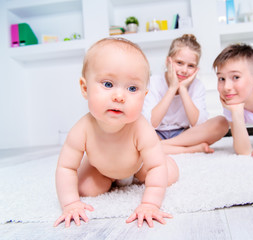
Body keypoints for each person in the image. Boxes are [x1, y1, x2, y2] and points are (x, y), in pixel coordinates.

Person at [54, 38, 179, 228]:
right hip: (100, 168)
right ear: (85, 88)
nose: (119, 97)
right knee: (84, 188)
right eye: (108, 84)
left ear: (144, 97)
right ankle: (103, 175)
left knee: (168, 173)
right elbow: (66, 167)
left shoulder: (141, 128)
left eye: (132, 88)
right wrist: (70, 203)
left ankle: (165, 158)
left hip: (138, 167)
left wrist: (150, 204)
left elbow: (156, 166)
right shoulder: (82, 129)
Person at [142, 34, 229, 154]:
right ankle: (190, 149)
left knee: (222, 123)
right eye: (179, 63)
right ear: (168, 61)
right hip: (156, 133)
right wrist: (172, 88)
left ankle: (162, 147)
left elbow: (198, 124)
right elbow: (152, 123)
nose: (184, 70)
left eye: (191, 66)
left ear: (196, 68)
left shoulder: (197, 86)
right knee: (137, 133)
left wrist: (182, 89)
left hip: (184, 134)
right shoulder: (153, 82)